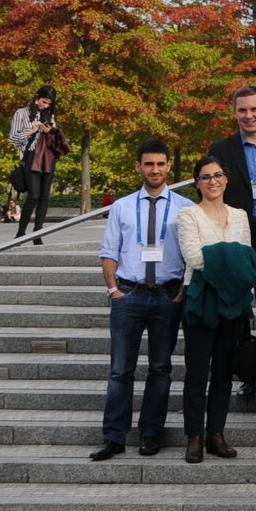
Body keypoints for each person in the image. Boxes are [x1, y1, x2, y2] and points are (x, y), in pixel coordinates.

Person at [91, 139, 192, 461]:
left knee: (160, 369)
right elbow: (109, 251)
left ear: (167, 167)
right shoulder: (121, 206)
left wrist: (181, 292)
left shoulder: (184, 208)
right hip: (129, 294)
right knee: (121, 370)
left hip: (167, 296)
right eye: (149, 164)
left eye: (161, 164)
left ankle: (151, 434)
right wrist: (113, 290)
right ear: (139, 167)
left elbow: (191, 253)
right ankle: (114, 437)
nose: (155, 170)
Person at [176, 155, 256, 463]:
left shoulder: (239, 215)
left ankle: (216, 434)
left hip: (232, 304)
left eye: (217, 175)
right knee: (198, 372)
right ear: (197, 183)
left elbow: (249, 257)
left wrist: (225, 258)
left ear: (226, 179)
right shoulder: (188, 215)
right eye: (205, 176)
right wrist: (232, 259)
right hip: (201, 300)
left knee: (225, 372)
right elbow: (194, 258)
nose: (212, 181)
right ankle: (195, 437)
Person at [9, 84, 65, 242]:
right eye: (43, 101)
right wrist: (31, 131)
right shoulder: (21, 113)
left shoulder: (50, 116)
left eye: (48, 103)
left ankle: (38, 233)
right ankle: (21, 233)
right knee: (33, 196)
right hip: (31, 156)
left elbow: (56, 141)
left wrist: (51, 132)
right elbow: (13, 138)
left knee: (44, 197)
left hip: (48, 157)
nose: (45, 105)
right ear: (37, 97)